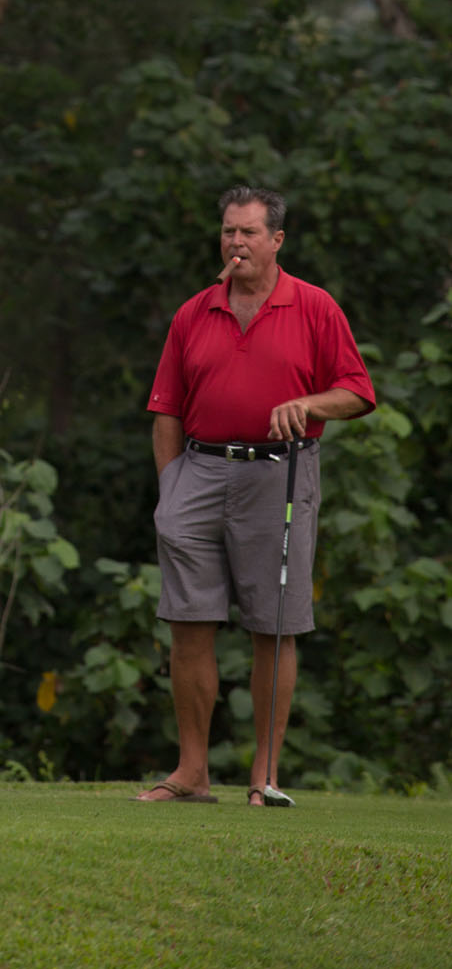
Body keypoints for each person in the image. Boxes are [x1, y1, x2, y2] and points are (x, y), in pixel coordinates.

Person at [139, 183, 376, 807]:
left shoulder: (315, 307)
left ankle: (263, 777)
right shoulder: (195, 312)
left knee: (273, 626)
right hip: (197, 471)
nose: (236, 242)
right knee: (188, 623)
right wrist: (170, 489)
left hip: (281, 475)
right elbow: (165, 409)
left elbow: (357, 390)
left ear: (276, 240)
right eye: (228, 231)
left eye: (248, 232)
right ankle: (191, 773)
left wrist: (308, 402)